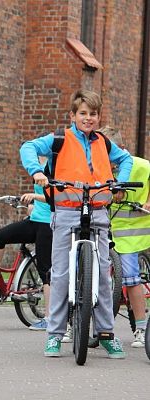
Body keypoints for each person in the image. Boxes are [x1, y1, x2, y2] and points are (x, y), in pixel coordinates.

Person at [20, 89, 133, 358]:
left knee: (103, 274)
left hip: (97, 210)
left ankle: (106, 333)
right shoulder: (60, 139)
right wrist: (37, 171)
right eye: (83, 113)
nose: (88, 118)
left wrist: (120, 183)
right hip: (67, 211)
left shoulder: (103, 142)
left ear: (98, 116)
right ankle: (55, 335)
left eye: (93, 114)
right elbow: (28, 147)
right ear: (73, 116)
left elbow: (125, 159)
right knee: (60, 274)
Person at [0, 156, 52, 331]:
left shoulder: (54, 167)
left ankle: (50, 319)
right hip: (34, 220)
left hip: (49, 224)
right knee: (0, 237)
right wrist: (32, 205)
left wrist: (34, 197)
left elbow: (54, 198)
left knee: (46, 272)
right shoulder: (37, 168)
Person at [99, 126, 148, 348]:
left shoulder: (140, 165)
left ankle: (141, 327)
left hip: (136, 230)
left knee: (130, 275)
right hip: (108, 228)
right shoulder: (100, 167)